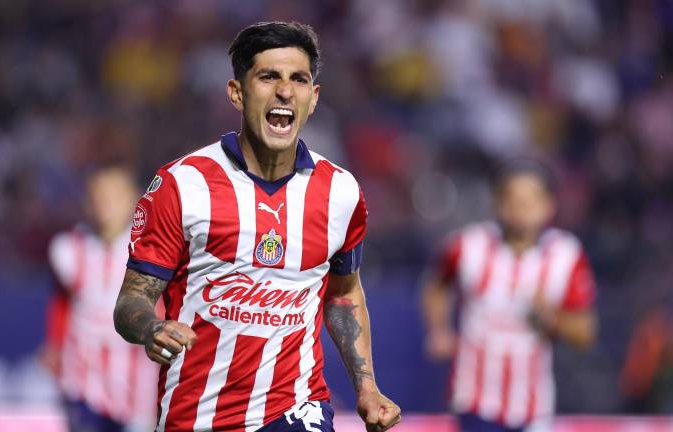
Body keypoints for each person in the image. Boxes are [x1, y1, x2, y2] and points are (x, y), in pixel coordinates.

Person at [113, 21, 401, 432]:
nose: (285, 91)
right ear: (237, 92)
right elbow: (131, 301)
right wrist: (152, 327)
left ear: (314, 98)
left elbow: (342, 293)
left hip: (296, 408)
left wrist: (367, 387)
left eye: (299, 79)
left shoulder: (341, 192)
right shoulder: (183, 184)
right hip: (197, 416)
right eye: (269, 77)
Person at [421, 160, 597, 432]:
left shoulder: (565, 254)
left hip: (533, 408)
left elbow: (585, 333)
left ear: (548, 205)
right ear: (497, 204)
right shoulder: (468, 246)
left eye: (531, 200)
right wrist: (438, 330)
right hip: (474, 400)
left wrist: (552, 319)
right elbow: (436, 285)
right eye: (513, 199)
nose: (522, 209)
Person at [42, 165, 160, 432]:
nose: (106, 206)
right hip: (84, 379)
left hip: (136, 382)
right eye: (100, 198)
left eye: (114, 198)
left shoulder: (151, 249)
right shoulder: (70, 249)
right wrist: (54, 343)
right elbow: (62, 302)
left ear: (133, 200)